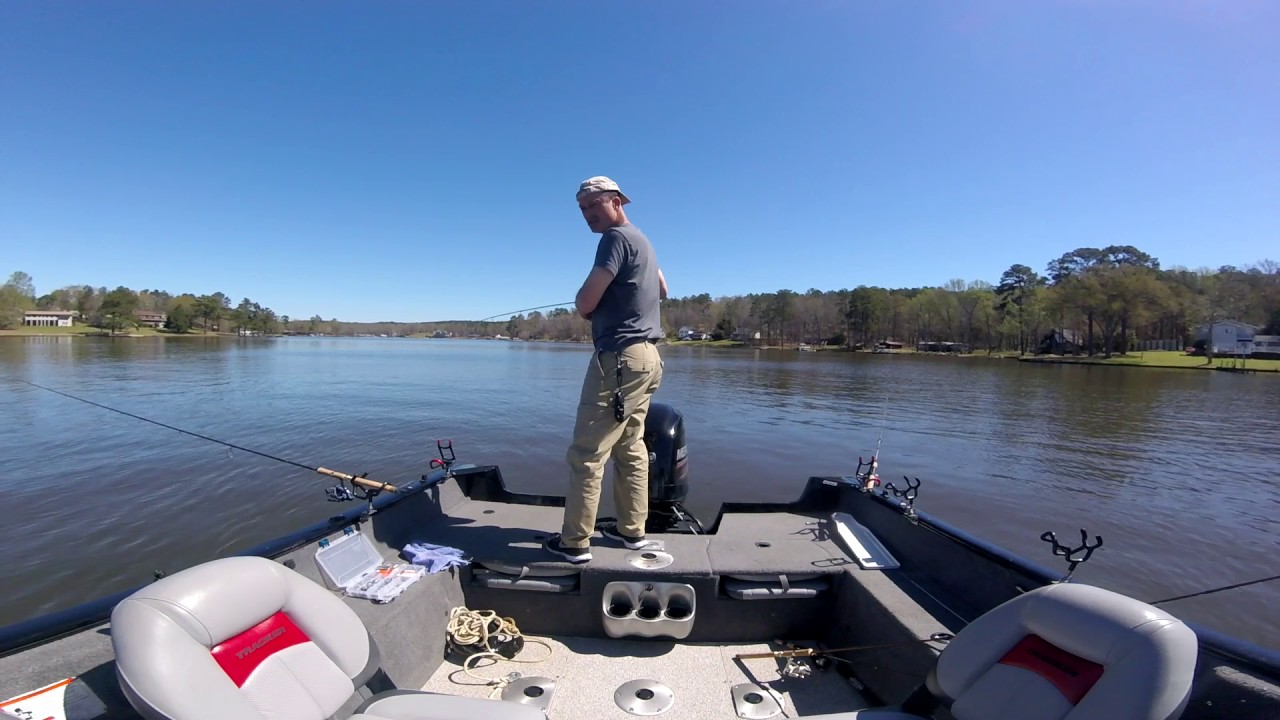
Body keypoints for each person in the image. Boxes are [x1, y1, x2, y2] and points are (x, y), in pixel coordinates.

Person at [544, 176, 668, 563]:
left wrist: (586, 302)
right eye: (582, 209)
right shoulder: (643, 242)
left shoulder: (614, 240)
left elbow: (584, 303)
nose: (587, 215)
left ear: (616, 202)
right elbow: (662, 289)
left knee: (587, 453)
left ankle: (576, 544)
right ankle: (633, 534)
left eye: (593, 207)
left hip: (619, 360)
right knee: (631, 448)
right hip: (649, 359)